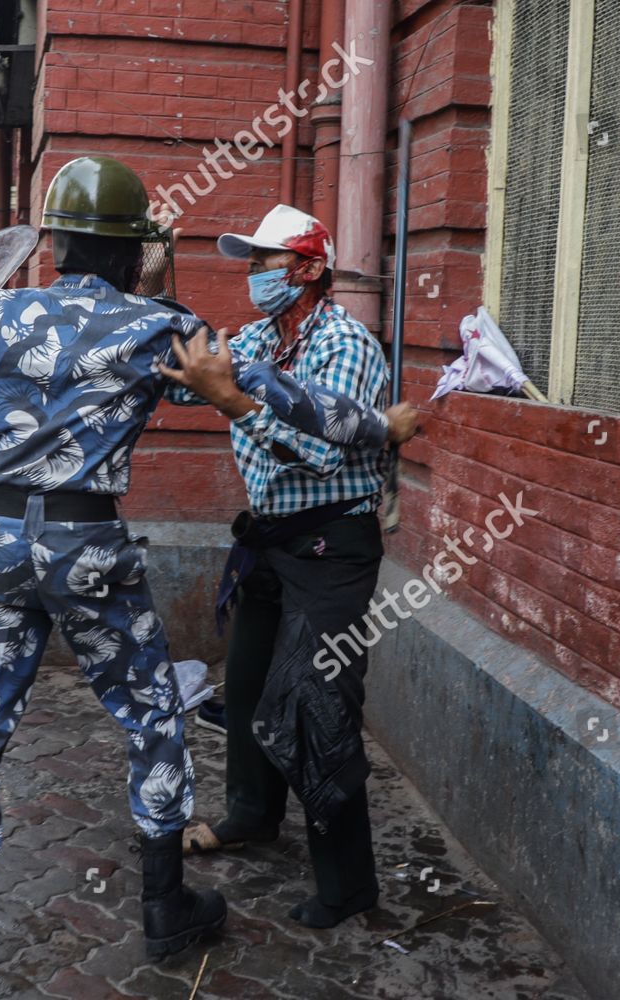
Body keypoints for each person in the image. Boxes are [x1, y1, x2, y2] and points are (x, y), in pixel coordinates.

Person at [0, 157, 415, 999]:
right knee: (152, 722)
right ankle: (165, 904)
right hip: (86, 546)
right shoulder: (155, 327)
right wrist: (378, 428)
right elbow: (269, 395)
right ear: (134, 249)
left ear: (59, 241)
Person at [175, 203, 402, 932]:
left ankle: (348, 885)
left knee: (317, 710)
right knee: (243, 688)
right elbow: (192, 372)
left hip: (332, 547)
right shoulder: (258, 340)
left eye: (264, 262)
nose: (252, 275)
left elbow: (323, 449)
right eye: (250, 262)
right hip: (272, 541)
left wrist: (235, 403)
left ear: (307, 269)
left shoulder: (347, 344)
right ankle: (252, 814)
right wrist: (154, 307)